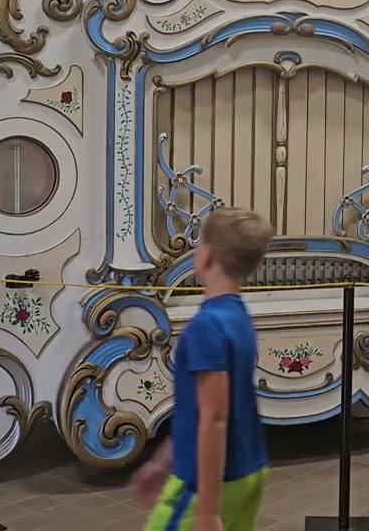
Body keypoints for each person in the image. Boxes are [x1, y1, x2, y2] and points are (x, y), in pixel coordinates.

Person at [133, 208, 273, 531]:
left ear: (206, 255)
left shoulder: (204, 329)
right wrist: (165, 458)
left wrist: (207, 511)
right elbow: (201, 408)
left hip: (205, 485)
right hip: (248, 471)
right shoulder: (237, 317)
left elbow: (214, 419)